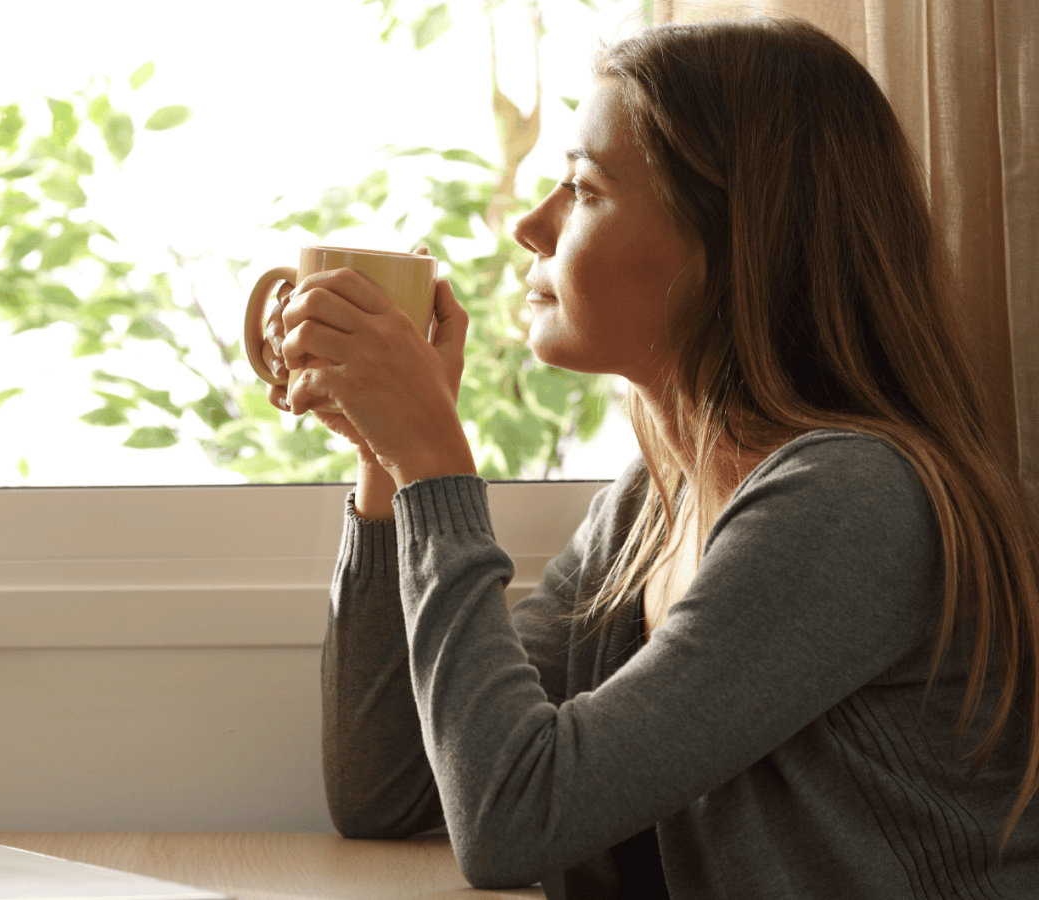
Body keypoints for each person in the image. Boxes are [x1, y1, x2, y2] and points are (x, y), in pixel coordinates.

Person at [259, 15, 1039, 899]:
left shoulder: (855, 500)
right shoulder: (647, 508)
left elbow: (512, 821)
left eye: (584, 190)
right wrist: (385, 462)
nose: (530, 225)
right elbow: (387, 787)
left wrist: (436, 463)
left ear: (730, 242)